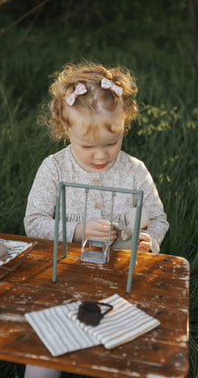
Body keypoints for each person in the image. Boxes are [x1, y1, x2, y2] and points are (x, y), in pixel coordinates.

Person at [23, 60, 169, 378]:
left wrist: (150, 240)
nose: (100, 156)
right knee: (44, 353)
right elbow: (33, 222)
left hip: (121, 280)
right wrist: (75, 231)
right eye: (87, 146)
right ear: (65, 130)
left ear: (124, 126)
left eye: (111, 143)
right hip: (66, 275)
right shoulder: (54, 169)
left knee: (138, 351)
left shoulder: (134, 171)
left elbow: (158, 218)